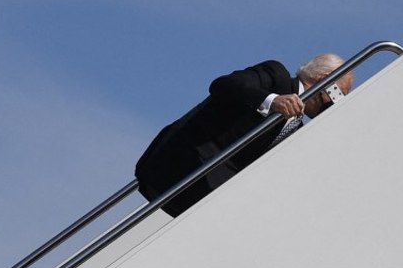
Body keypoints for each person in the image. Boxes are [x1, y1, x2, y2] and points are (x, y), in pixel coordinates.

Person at [135, 53, 352, 217]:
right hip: (186, 164)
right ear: (324, 79)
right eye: (336, 95)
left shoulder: (298, 128)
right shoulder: (276, 76)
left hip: (213, 196)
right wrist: (271, 100)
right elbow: (223, 85)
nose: (334, 105)